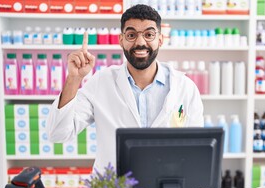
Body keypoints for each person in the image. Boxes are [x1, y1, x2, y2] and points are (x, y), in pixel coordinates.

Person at [46, 4, 204, 170]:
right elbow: (58, 133)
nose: (140, 42)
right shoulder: (101, 82)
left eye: (149, 34)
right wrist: (73, 79)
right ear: (121, 40)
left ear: (160, 39)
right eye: (131, 35)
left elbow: (196, 148)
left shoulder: (185, 87)